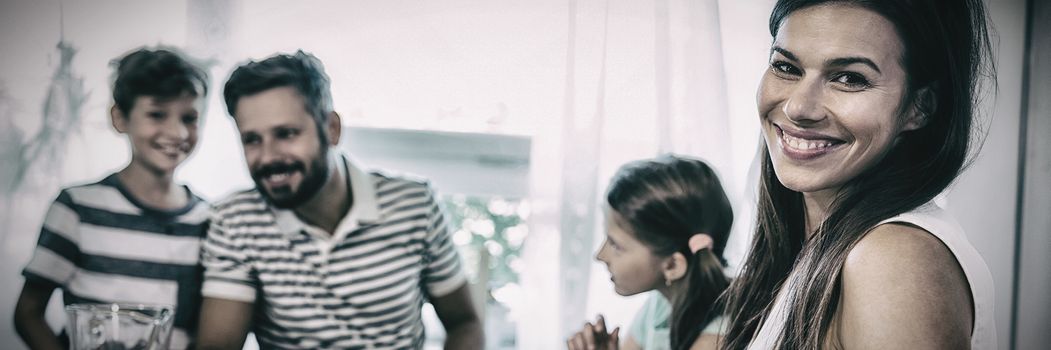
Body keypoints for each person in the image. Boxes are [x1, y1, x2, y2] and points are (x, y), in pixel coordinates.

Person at [721, 0, 997, 349]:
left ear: (920, 106)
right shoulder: (819, 241)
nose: (798, 107)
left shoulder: (893, 259)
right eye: (786, 67)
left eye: (850, 78)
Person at [194, 51, 483, 349]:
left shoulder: (415, 205)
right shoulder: (235, 221)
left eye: (286, 134)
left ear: (332, 129)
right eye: (252, 139)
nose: (268, 157)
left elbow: (464, 323)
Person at [13, 47, 211, 350]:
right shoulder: (77, 208)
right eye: (157, 114)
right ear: (120, 117)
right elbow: (28, 312)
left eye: (190, 117)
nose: (176, 131)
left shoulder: (210, 220)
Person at [568, 155, 734, 350]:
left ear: (672, 265)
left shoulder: (714, 342)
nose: (600, 255)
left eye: (615, 245)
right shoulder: (662, 305)